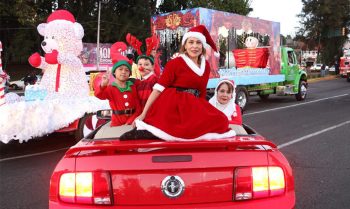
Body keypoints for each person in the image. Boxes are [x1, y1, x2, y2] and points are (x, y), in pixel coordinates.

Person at [131, 25, 236, 141]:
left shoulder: (205, 66)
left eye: (198, 43)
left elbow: (201, 91)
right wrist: (143, 114)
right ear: (185, 45)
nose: (194, 46)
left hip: (193, 104)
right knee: (176, 129)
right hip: (173, 105)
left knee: (221, 120)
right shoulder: (175, 63)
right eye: (191, 42)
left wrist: (203, 110)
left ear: (203, 46)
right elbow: (157, 90)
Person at [94, 58, 141, 127]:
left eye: (127, 70)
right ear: (114, 72)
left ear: (129, 74)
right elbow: (99, 95)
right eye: (120, 69)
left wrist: (130, 121)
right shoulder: (110, 88)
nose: (123, 72)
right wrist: (103, 85)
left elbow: (138, 108)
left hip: (132, 123)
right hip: (116, 124)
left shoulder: (133, 86)